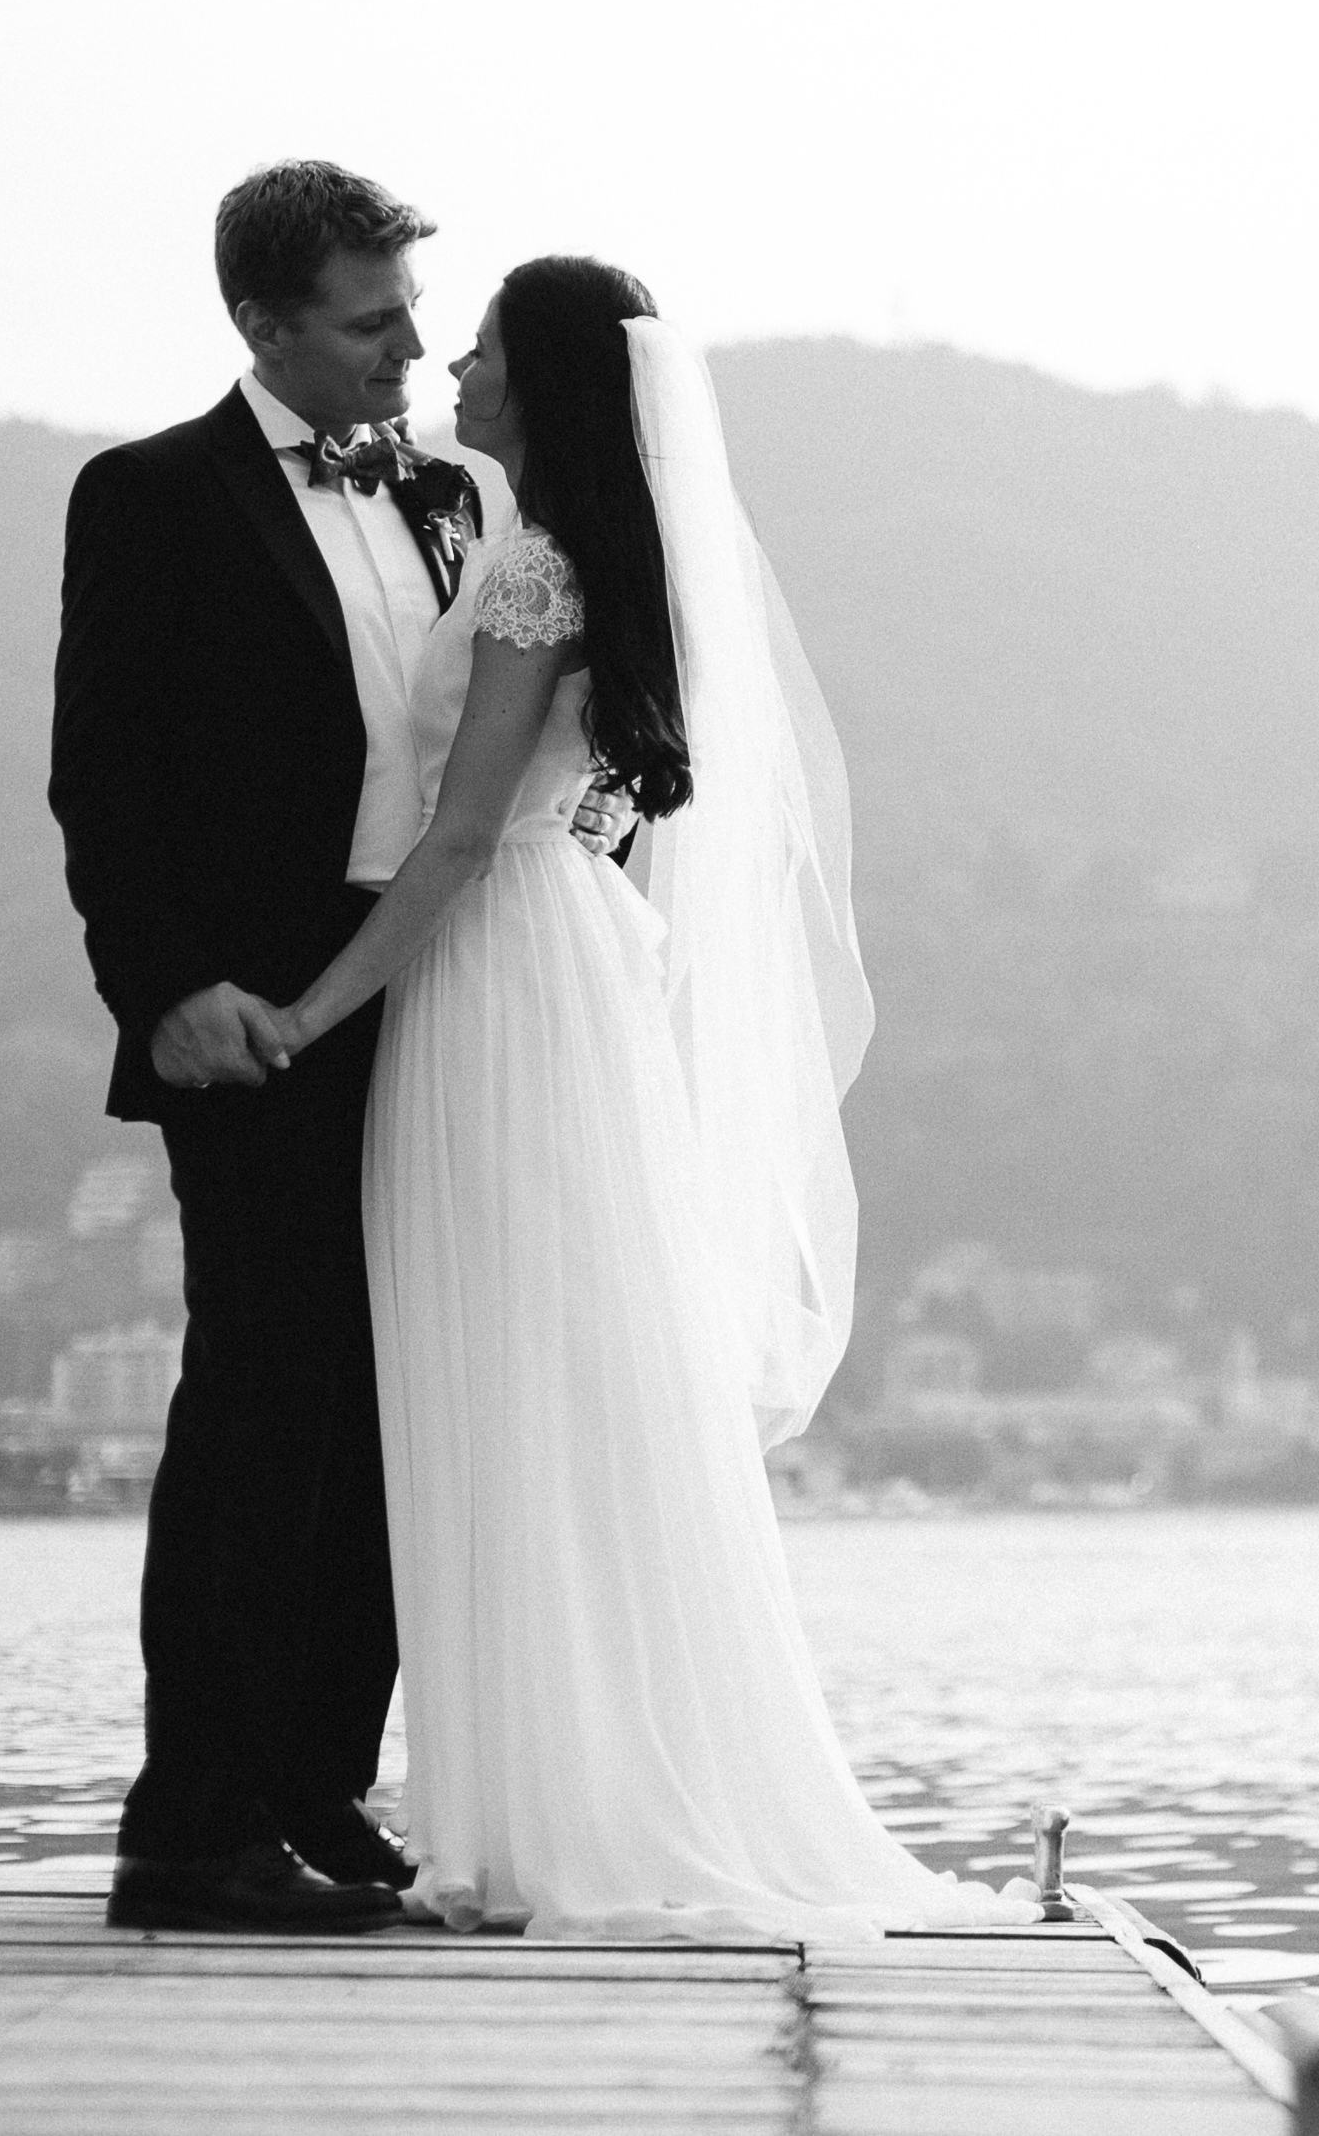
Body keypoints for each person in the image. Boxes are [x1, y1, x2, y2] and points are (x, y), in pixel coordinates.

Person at [258, 252, 976, 1936]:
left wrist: (311, 1009)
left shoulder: (538, 575)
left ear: (547, 381)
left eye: (487, 344)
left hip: (497, 969)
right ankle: (551, 1795)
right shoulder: (593, 564)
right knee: (553, 1384)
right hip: (570, 968)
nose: (454, 362)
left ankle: (545, 1816)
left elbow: (454, 838)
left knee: (501, 1377)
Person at [49, 160, 470, 1932]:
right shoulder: (151, 496)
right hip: (254, 1023)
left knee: (397, 1402)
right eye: (373, 321)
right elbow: (103, 770)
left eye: (411, 313)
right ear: (261, 322)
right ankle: (191, 1818)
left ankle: (313, 1778)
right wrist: (166, 982)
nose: (412, 349)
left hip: (437, 995)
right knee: (264, 1397)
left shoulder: (453, 496)